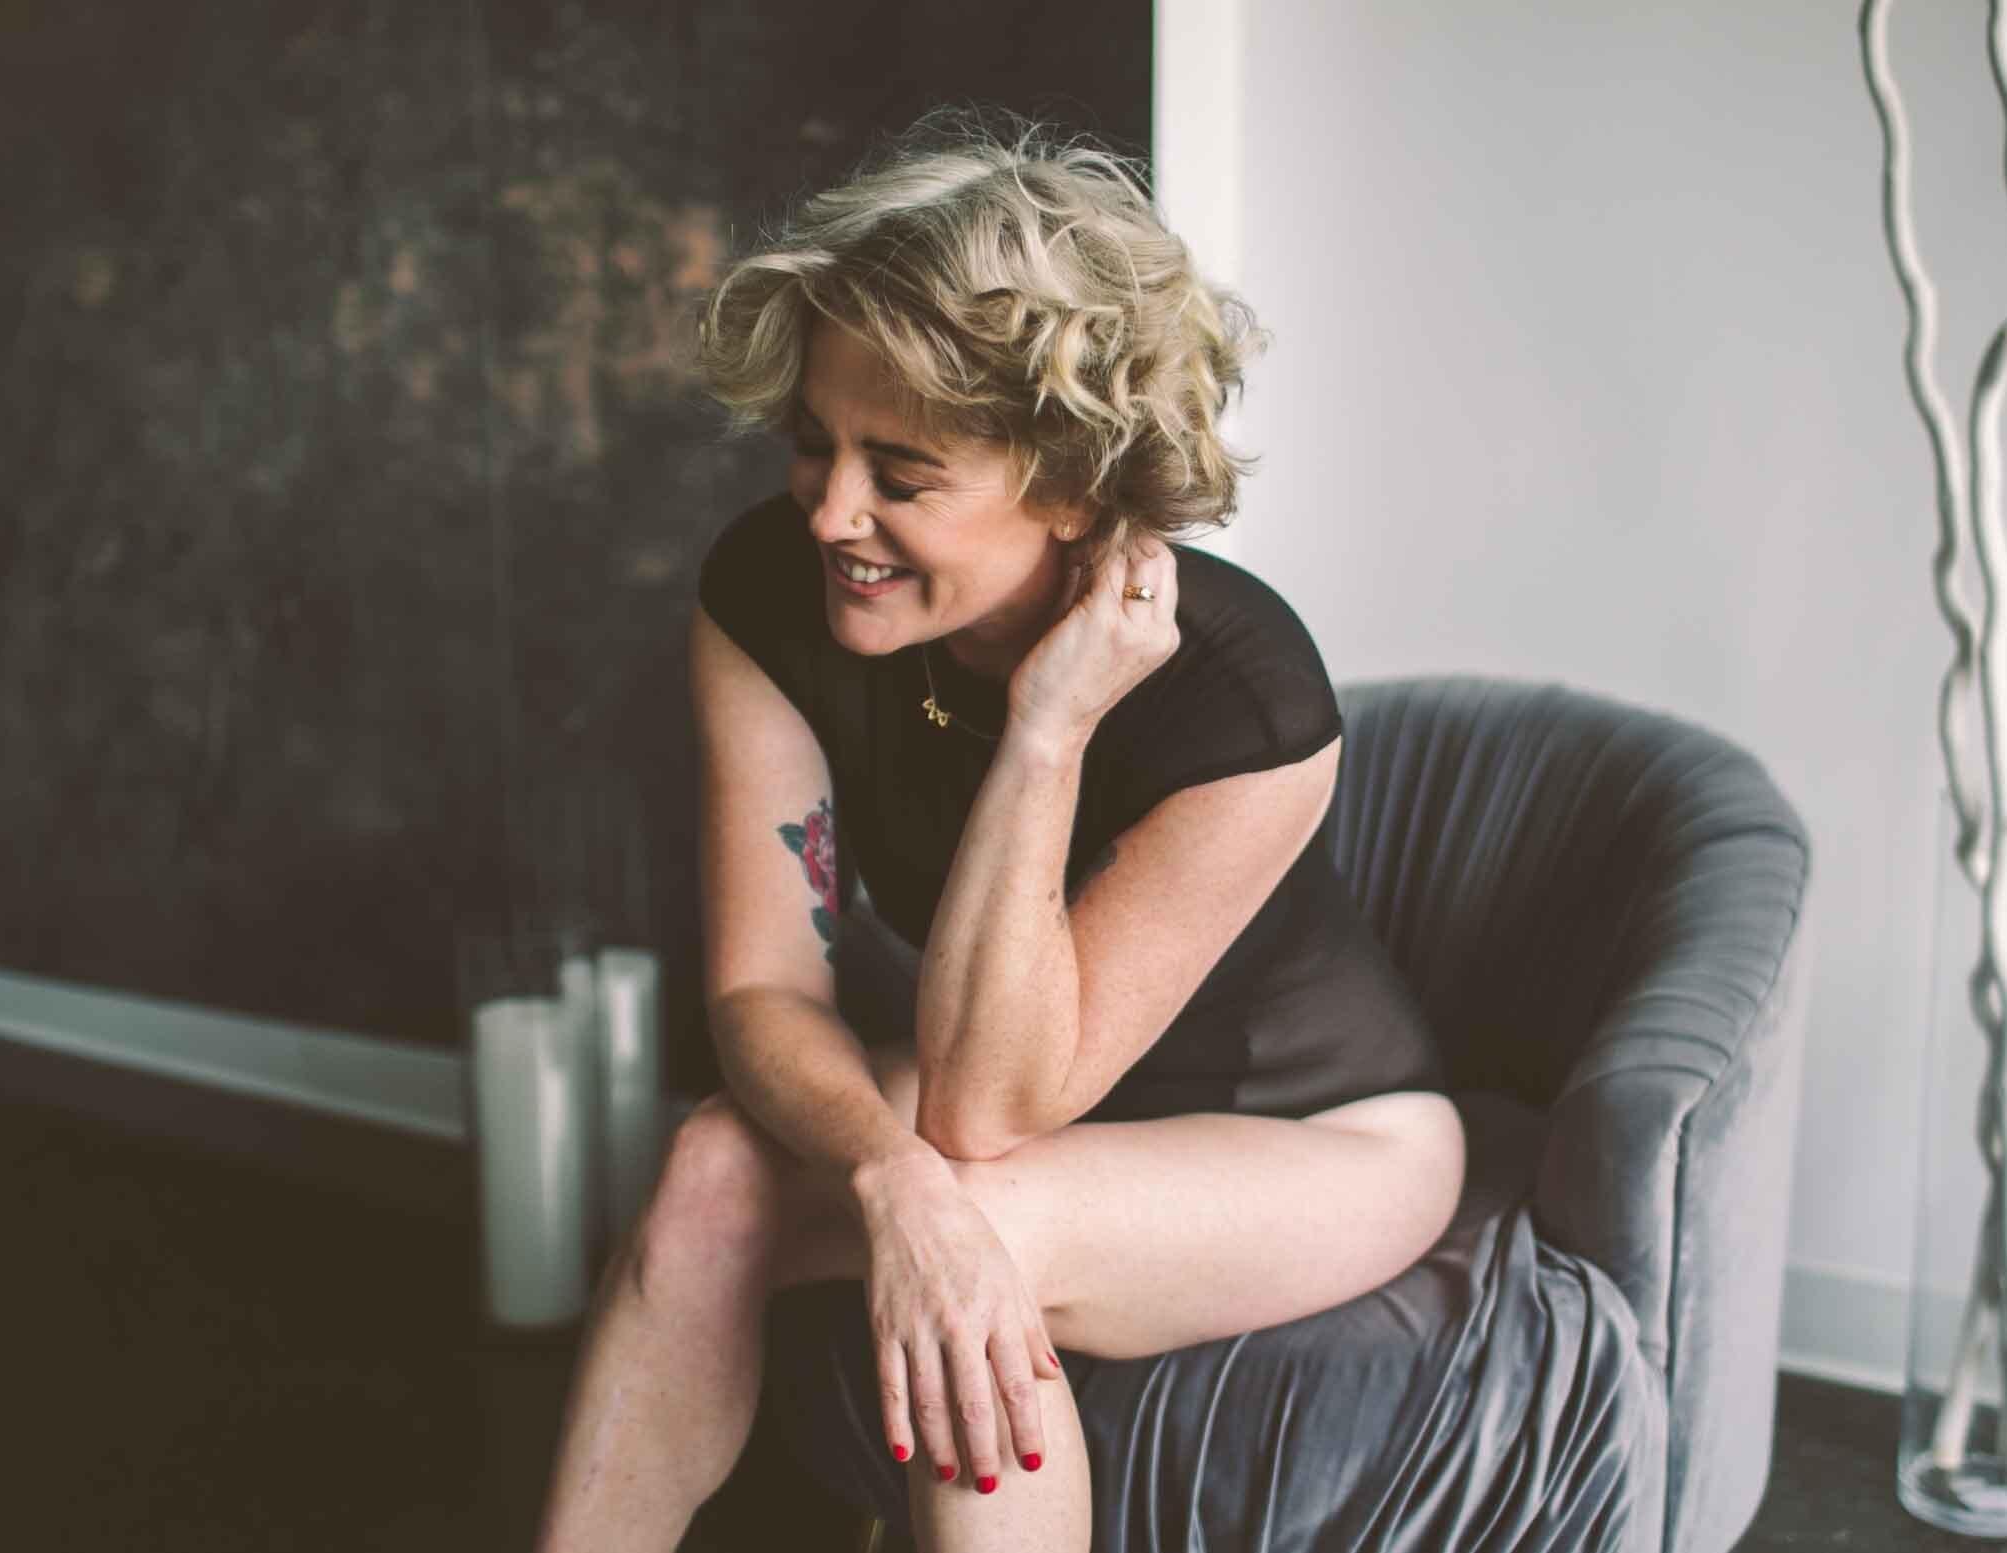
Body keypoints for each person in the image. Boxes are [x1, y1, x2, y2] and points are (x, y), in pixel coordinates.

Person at [531, 111, 1467, 1553]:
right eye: (814, 445)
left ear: (1072, 486)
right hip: (1020, 1090)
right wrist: (886, 1174)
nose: (831, 513)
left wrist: (1047, 729)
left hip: (1322, 1135)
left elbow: (983, 1115)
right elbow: (762, 988)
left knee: (986, 1241)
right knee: (715, 1165)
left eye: (902, 476)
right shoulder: (769, 593)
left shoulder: (1250, 702)